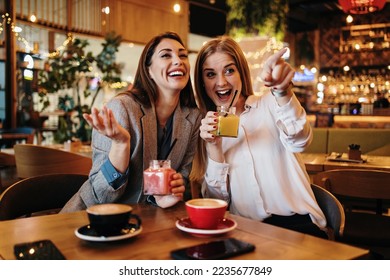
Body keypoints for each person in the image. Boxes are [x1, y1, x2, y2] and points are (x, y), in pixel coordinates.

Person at [193, 36, 327, 238]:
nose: (221, 82)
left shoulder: (270, 104)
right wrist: (214, 147)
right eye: (210, 74)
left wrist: (282, 91)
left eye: (229, 70)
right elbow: (217, 201)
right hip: (246, 231)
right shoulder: (206, 129)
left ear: (241, 73)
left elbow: (300, 140)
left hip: (297, 226)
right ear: (203, 83)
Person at [61, 31, 202, 212]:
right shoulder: (121, 109)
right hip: (93, 220)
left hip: (150, 223)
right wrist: (121, 145)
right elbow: (99, 196)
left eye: (183, 55)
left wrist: (170, 190)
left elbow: (181, 174)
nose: (178, 61)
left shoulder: (192, 118)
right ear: (148, 70)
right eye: (166, 55)